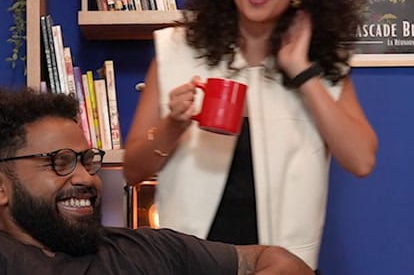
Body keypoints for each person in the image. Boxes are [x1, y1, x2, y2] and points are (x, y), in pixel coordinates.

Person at [123, 0, 378, 270]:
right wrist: (174, 125)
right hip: (191, 265)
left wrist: (302, 71)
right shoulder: (177, 51)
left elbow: (361, 160)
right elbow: (133, 170)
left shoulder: (322, 63)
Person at [0, 87, 312, 274]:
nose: (85, 178)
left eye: (86, 160)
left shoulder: (148, 250)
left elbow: (278, 261)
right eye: (60, 162)